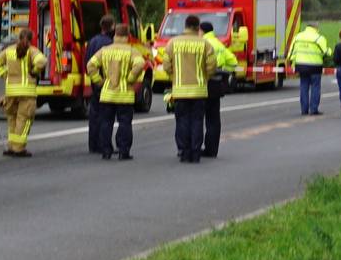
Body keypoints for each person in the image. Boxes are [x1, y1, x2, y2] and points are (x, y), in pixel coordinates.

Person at [87, 25, 151, 161]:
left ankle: (106, 151)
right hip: (124, 94)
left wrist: (98, 81)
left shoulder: (104, 50)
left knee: (106, 123)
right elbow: (140, 64)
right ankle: (123, 151)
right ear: (127, 36)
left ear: (115, 35)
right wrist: (131, 78)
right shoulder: (131, 51)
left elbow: (90, 65)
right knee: (125, 123)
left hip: (107, 93)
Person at [164, 15, 220, 163]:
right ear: (197, 27)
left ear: (185, 25)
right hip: (199, 90)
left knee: (182, 121)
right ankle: (195, 153)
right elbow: (212, 66)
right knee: (197, 121)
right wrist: (205, 78)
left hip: (180, 90)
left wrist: (174, 78)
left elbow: (166, 65)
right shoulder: (205, 44)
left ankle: (183, 151)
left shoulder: (173, 43)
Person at [0, 32, 45, 157]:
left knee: (12, 119)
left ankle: (11, 146)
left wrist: (5, 75)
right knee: (24, 120)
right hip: (27, 92)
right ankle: (19, 148)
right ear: (31, 40)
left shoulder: (9, 51)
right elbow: (42, 61)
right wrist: (34, 72)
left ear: (18, 38)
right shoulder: (32, 51)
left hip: (10, 92)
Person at [196, 18, 240, 157]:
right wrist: (222, 70)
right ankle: (212, 149)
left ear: (201, 31)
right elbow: (233, 62)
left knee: (197, 117)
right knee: (213, 119)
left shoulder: (202, 44)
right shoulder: (219, 44)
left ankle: (196, 147)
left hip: (203, 83)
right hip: (216, 85)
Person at [83, 25, 116, 156]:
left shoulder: (92, 41)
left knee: (94, 114)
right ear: (110, 27)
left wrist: (95, 80)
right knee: (105, 116)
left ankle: (93, 145)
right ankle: (104, 145)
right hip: (105, 82)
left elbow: (87, 61)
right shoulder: (109, 43)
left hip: (94, 81)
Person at [289, 20, 331, 115]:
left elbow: (292, 52)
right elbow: (325, 52)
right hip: (315, 66)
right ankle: (314, 109)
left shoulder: (298, 37)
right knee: (315, 87)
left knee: (304, 87)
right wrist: (330, 51)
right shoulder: (319, 38)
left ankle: (304, 110)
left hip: (301, 65)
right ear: (316, 28)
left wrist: (292, 62)